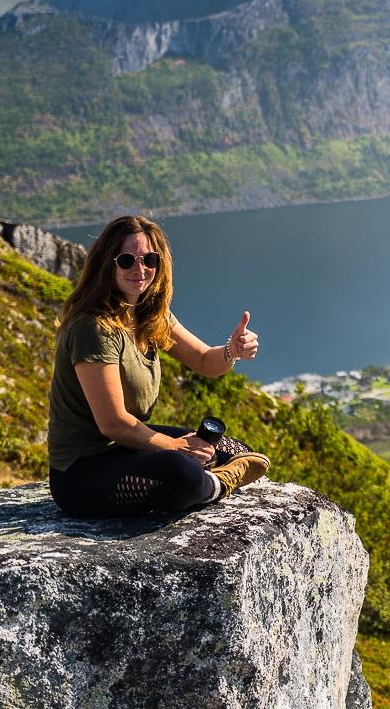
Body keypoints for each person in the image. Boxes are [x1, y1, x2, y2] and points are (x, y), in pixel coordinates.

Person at [46, 214, 271, 518]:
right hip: (82, 472)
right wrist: (175, 447)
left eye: (149, 259)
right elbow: (112, 424)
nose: (140, 269)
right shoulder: (93, 328)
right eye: (126, 260)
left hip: (127, 447)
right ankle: (215, 484)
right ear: (106, 263)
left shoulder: (150, 316)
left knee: (235, 451)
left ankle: (208, 478)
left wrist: (233, 349)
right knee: (181, 471)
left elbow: (206, 362)